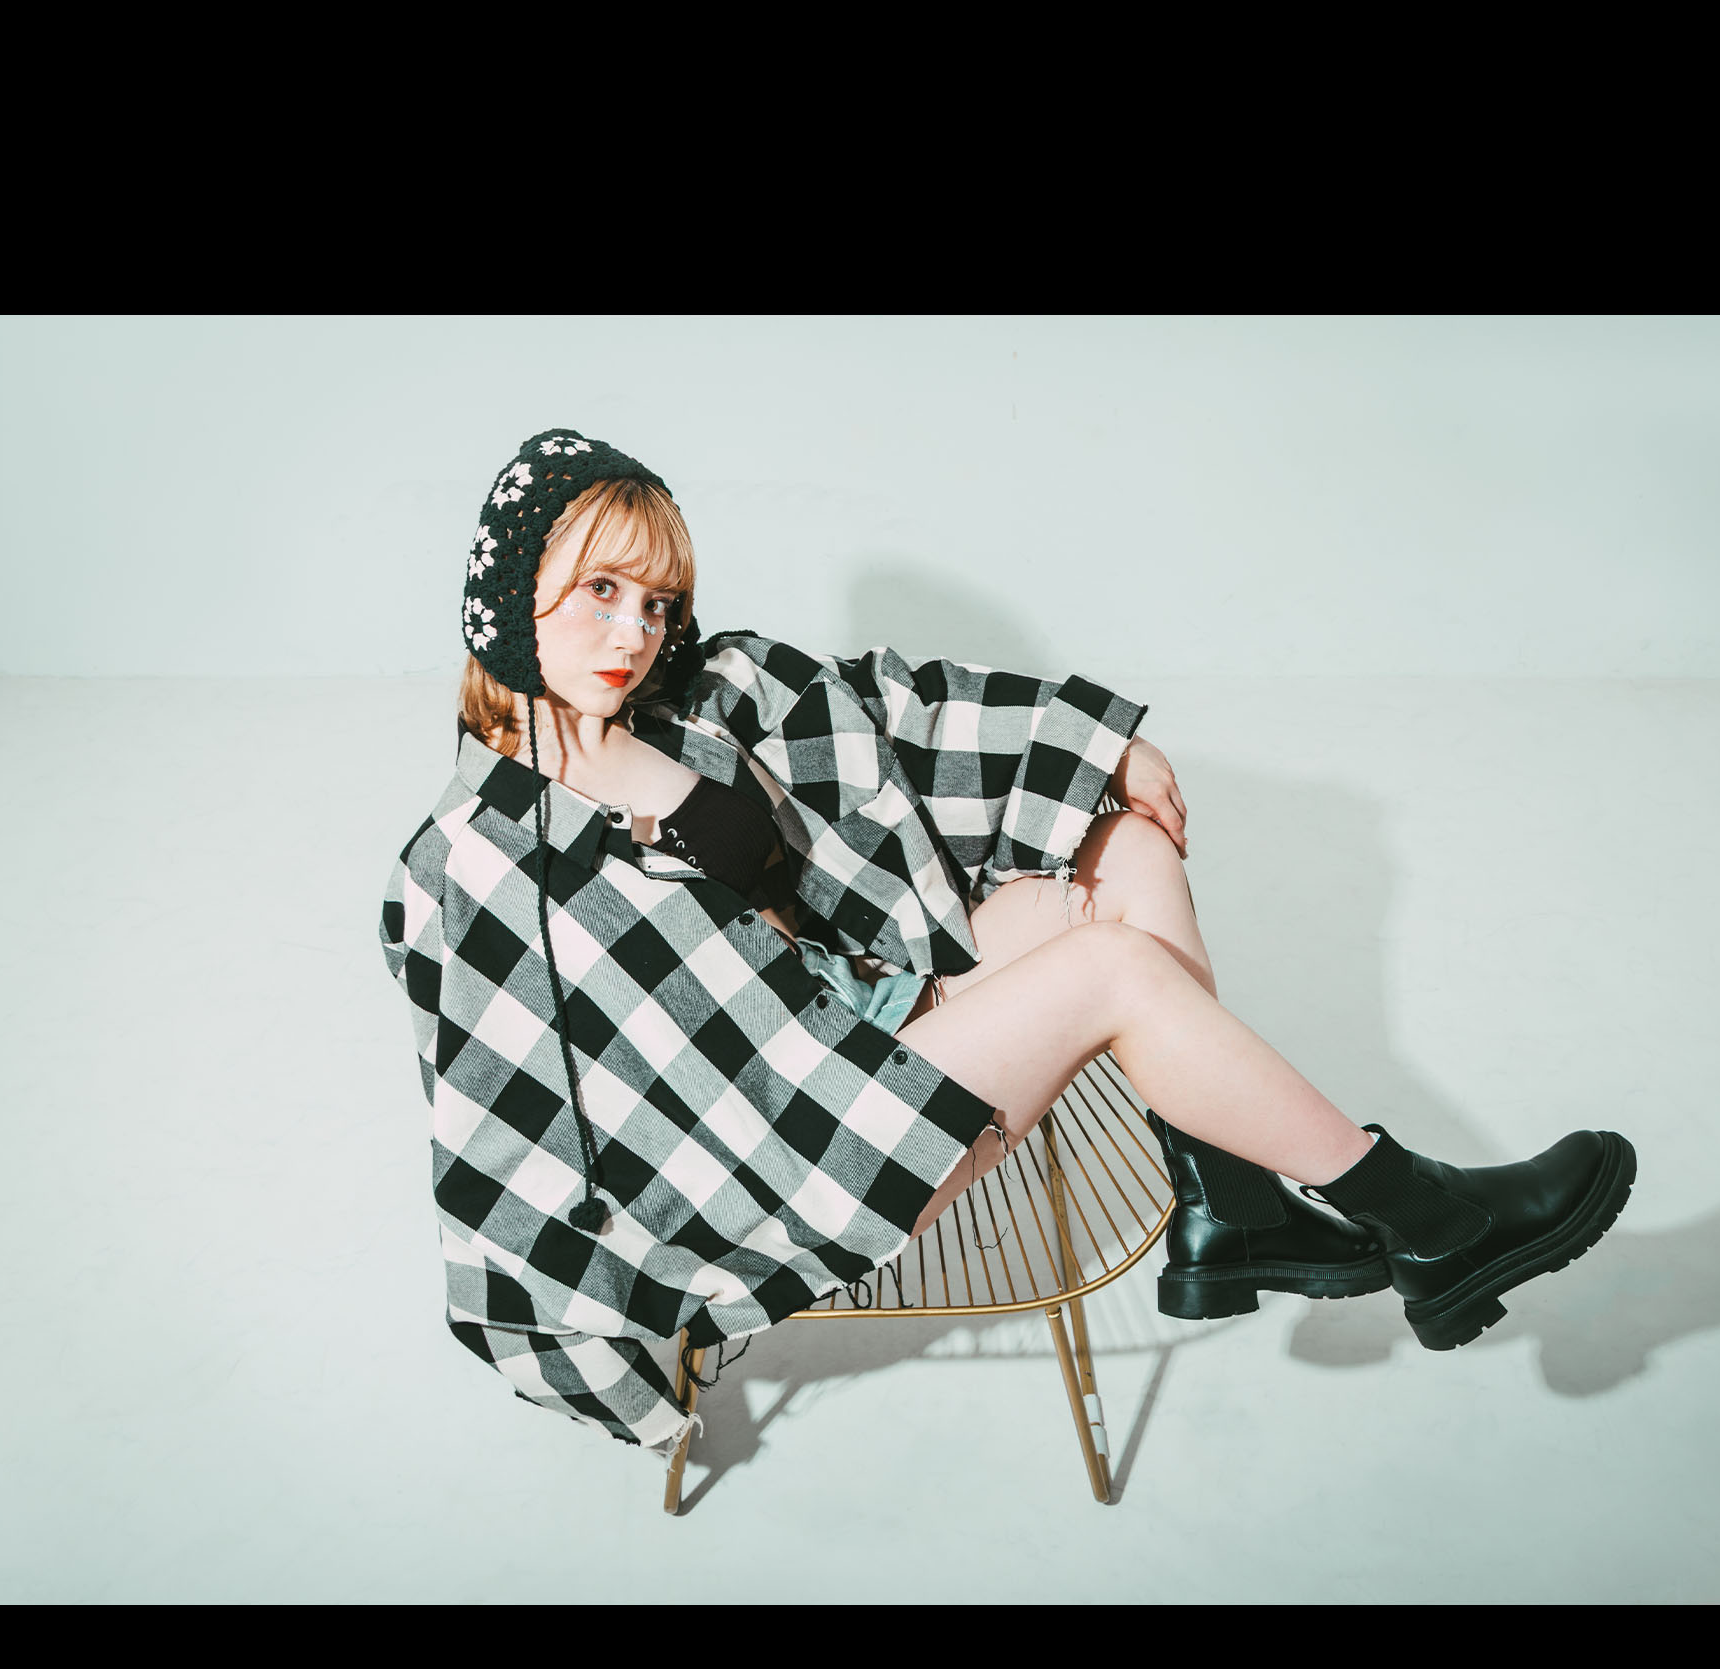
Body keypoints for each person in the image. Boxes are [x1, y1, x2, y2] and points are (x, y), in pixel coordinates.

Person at [381, 430, 1636, 1462]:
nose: (635, 632)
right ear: (512, 593)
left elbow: (887, 711)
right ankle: (1422, 1215)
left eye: (656, 600)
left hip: (871, 1015)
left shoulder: (698, 702)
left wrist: (1106, 750)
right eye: (601, 591)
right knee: (1116, 972)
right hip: (804, 1144)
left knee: (1121, 843)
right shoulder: (475, 861)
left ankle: (1228, 1209)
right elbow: (502, 1130)